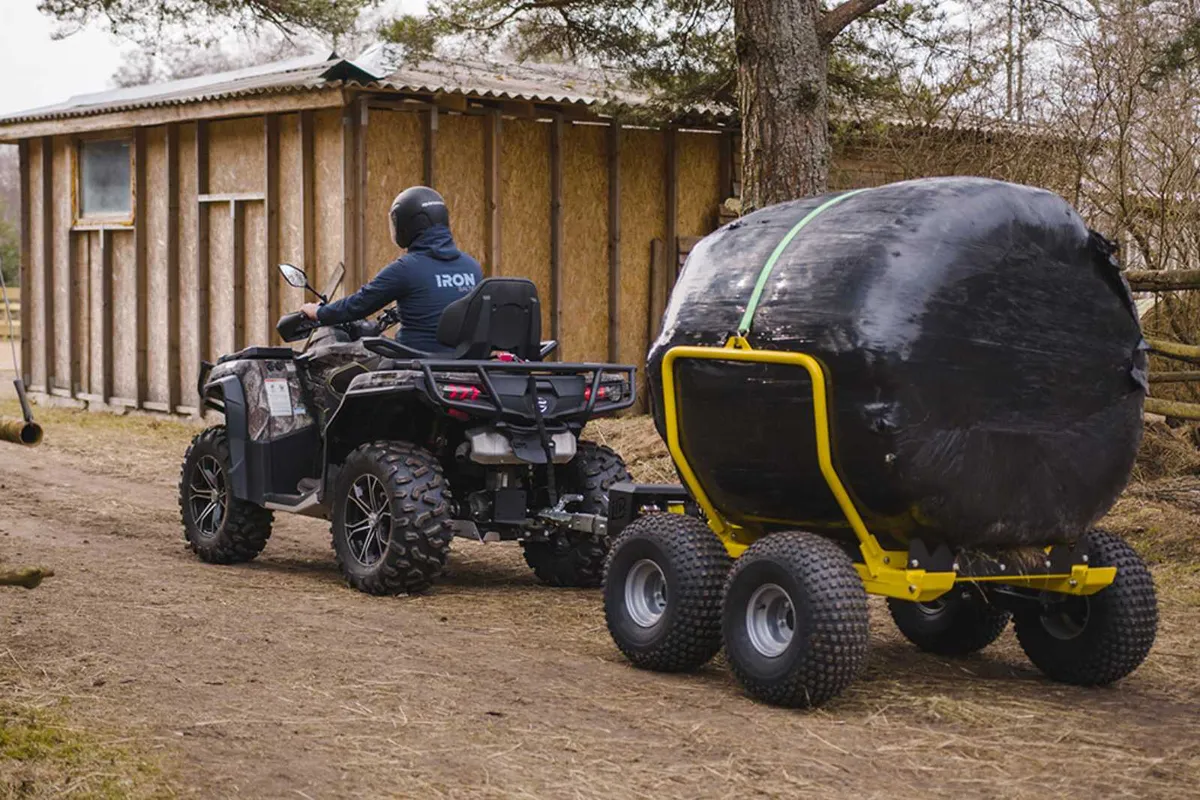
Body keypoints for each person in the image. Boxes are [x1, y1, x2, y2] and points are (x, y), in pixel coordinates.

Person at [300, 186, 483, 353]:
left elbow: (359, 304)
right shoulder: (472, 267)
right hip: (466, 362)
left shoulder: (406, 269)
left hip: (415, 362)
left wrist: (319, 312)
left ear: (406, 224)